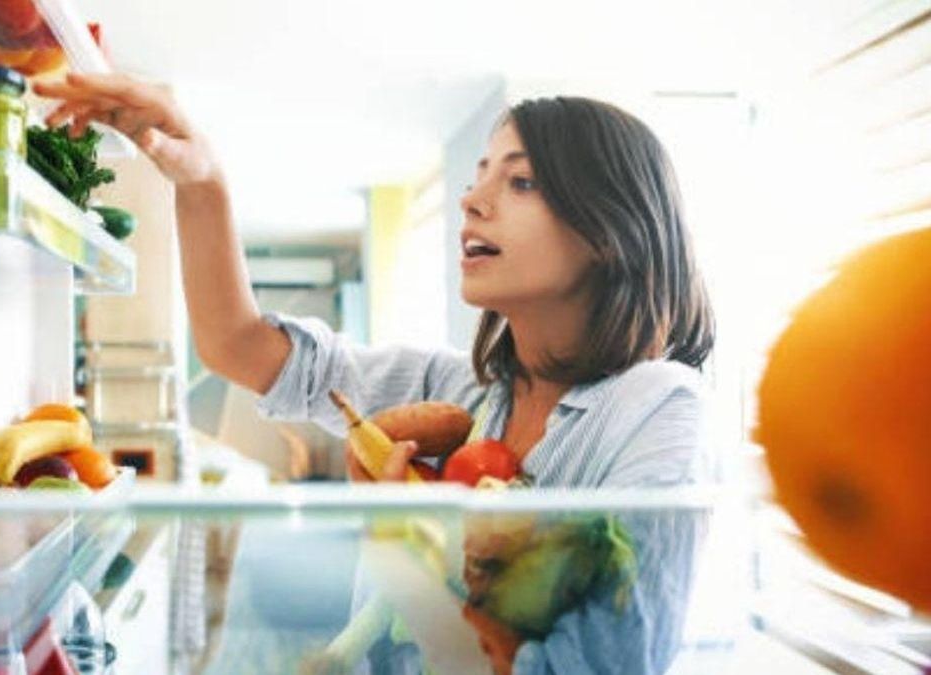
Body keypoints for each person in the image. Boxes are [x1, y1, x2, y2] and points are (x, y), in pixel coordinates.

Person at [37, 73, 716, 675]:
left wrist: (399, 543)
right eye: (480, 173)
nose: (472, 199)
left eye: (521, 180)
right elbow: (239, 345)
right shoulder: (459, 393)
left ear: (609, 229)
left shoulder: (658, 409)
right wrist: (201, 177)